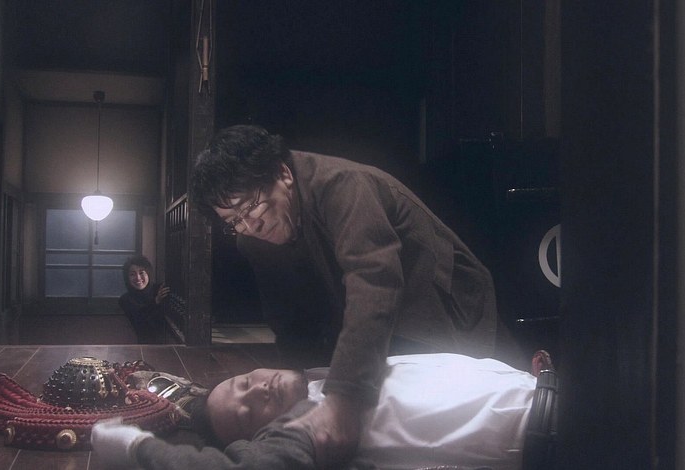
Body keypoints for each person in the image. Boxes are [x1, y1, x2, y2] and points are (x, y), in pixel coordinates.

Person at [188, 125, 500, 463]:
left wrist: (342, 398)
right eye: (233, 220)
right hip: (380, 319)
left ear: (283, 174)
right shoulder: (252, 239)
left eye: (252, 206)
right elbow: (289, 321)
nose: (251, 226)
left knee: (470, 413)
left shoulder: (344, 185)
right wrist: (300, 394)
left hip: (442, 302)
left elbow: (374, 281)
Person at [91, 353, 553, 469]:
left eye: (244, 382)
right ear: (261, 436)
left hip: (544, 387)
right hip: (552, 429)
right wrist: (136, 449)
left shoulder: (321, 375)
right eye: (248, 414)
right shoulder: (309, 422)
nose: (258, 391)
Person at [119, 255, 170, 344]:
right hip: (144, 345)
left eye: (141, 272)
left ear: (148, 274)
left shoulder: (161, 289)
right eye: (132, 274)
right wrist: (156, 301)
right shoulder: (125, 299)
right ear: (127, 278)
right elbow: (140, 322)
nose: (138, 278)